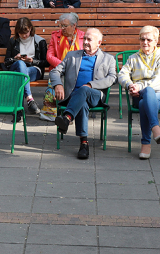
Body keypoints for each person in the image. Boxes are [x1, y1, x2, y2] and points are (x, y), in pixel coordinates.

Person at [50, 28, 116, 159]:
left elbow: (112, 78)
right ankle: (84, 144)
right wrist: (57, 84)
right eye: (84, 38)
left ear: (99, 43)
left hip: (95, 95)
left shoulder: (108, 59)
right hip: (74, 97)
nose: (85, 42)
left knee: (84, 90)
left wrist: (92, 85)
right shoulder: (72, 56)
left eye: (89, 39)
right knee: (83, 104)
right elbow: (55, 71)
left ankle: (67, 117)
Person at [117, 26, 160, 159]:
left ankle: (146, 143)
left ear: (156, 41)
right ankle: (155, 128)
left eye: (149, 39)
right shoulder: (133, 58)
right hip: (138, 94)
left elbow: (159, 81)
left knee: (145, 100)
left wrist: (140, 86)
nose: (145, 42)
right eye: (142, 39)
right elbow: (122, 75)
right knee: (145, 97)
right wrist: (130, 85)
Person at [41, 13, 86, 121]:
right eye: (61, 25)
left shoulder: (83, 36)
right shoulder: (55, 36)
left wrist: (71, 67)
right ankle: (50, 113)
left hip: (77, 69)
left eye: (65, 26)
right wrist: (63, 66)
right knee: (54, 80)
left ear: (74, 25)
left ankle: (74, 111)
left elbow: (86, 55)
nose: (62, 28)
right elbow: (49, 56)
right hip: (58, 69)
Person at [4, 17, 49, 118]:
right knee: (21, 64)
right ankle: (29, 99)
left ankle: (18, 112)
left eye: (26, 32)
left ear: (30, 29)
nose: (24, 35)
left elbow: (46, 62)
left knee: (21, 76)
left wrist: (32, 61)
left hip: (34, 70)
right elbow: (6, 63)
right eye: (21, 33)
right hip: (16, 68)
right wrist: (15, 58)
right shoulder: (13, 41)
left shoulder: (40, 41)